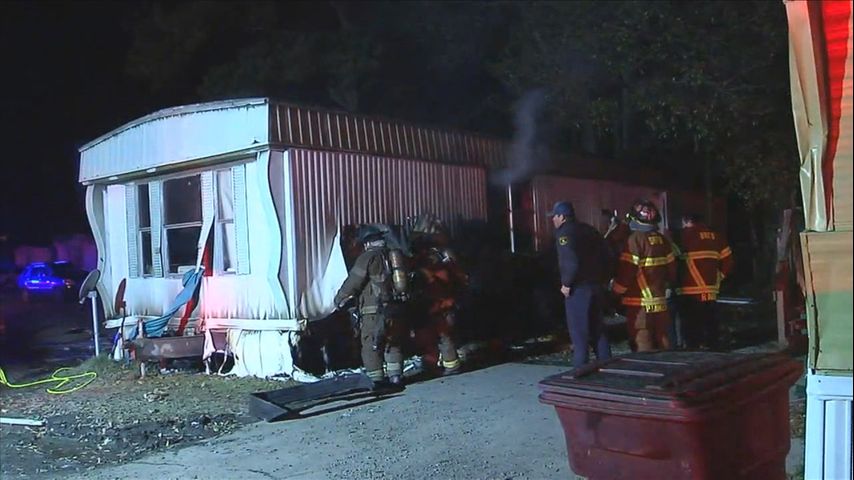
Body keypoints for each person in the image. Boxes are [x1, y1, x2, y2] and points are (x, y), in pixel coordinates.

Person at [334, 225, 406, 386]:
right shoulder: (393, 255)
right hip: (394, 307)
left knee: (371, 344)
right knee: (392, 341)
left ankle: (377, 380)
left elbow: (354, 281)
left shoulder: (367, 257)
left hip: (373, 310)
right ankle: (396, 377)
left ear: (366, 242)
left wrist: (339, 298)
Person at [548, 201, 612, 368]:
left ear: (562, 216)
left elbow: (571, 261)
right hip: (596, 287)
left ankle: (580, 372)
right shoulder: (589, 230)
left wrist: (567, 284)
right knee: (598, 330)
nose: (553, 220)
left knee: (579, 333)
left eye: (554, 216)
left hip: (579, 289)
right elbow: (608, 256)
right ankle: (607, 365)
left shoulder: (564, 233)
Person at [612, 200, 677, 352]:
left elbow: (627, 271)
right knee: (663, 340)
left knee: (643, 343)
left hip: (639, 304)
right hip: (661, 302)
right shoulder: (663, 240)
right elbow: (672, 270)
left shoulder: (635, 240)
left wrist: (615, 291)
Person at [675, 213, 734, 350]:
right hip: (711, 289)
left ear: (686, 221)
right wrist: (719, 277)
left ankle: (694, 349)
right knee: (710, 322)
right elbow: (729, 261)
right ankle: (713, 347)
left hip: (689, 290)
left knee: (691, 326)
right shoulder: (716, 236)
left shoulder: (682, 236)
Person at [411, 235, 467, 376]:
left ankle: (451, 365)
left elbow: (434, 285)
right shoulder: (442, 263)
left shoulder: (429, 268)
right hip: (438, 306)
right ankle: (434, 364)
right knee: (434, 337)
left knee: (442, 337)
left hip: (440, 307)